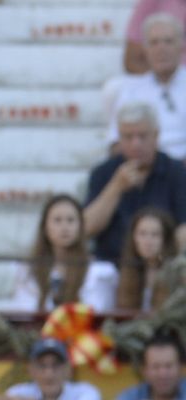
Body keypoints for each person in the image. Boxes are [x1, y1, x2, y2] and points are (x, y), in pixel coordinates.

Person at [84, 102, 186, 266]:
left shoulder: (176, 172)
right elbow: (86, 228)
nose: (135, 144)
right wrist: (115, 187)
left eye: (142, 136)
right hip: (112, 266)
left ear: (156, 136)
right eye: (128, 137)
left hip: (162, 266)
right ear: (119, 138)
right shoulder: (103, 173)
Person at [9, 194, 104, 314]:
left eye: (70, 220)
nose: (65, 227)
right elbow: (23, 309)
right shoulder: (27, 269)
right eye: (57, 220)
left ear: (80, 226)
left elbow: (96, 310)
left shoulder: (95, 270)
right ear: (45, 226)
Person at [107, 15, 186, 156]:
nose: (161, 49)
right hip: (147, 165)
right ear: (145, 49)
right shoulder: (131, 90)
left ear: (181, 46)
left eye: (168, 41)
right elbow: (115, 143)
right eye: (154, 42)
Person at [0, 338, 102, 400]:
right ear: (30, 370)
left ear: (68, 370)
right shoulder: (19, 391)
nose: (49, 373)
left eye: (56, 365)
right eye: (41, 366)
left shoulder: (86, 391)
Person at [108, 207, 178, 314]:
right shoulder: (122, 272)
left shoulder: (176, 272)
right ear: (133, 237)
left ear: (166, 239)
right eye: (142, 233)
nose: (148, 241)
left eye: (155, 234)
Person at [103, 331, 186, 400]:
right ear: (144, 371)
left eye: (169, 366)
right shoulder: (134, 394)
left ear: (181, 368)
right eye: (155, 367)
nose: (162, 374)